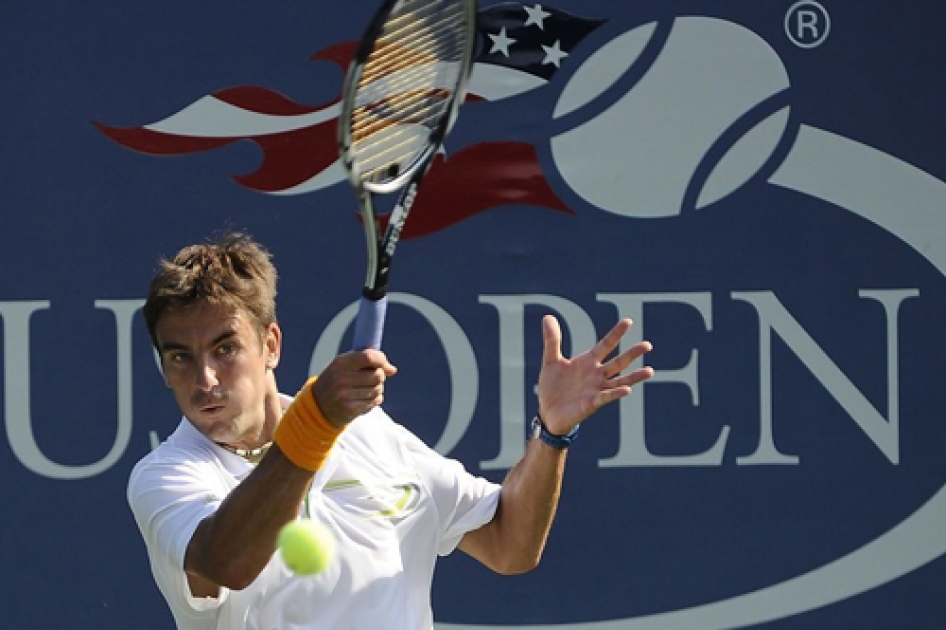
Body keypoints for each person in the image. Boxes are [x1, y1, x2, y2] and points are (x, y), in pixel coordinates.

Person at [128, 231, 654, 630]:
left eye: (225, 348)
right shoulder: (164, 477)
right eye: (180, 357)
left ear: (271, 345)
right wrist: (316, 422)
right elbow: (226, 563)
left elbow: (509, 545)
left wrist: (553, 434)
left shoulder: (369, 432)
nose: (205, 379)